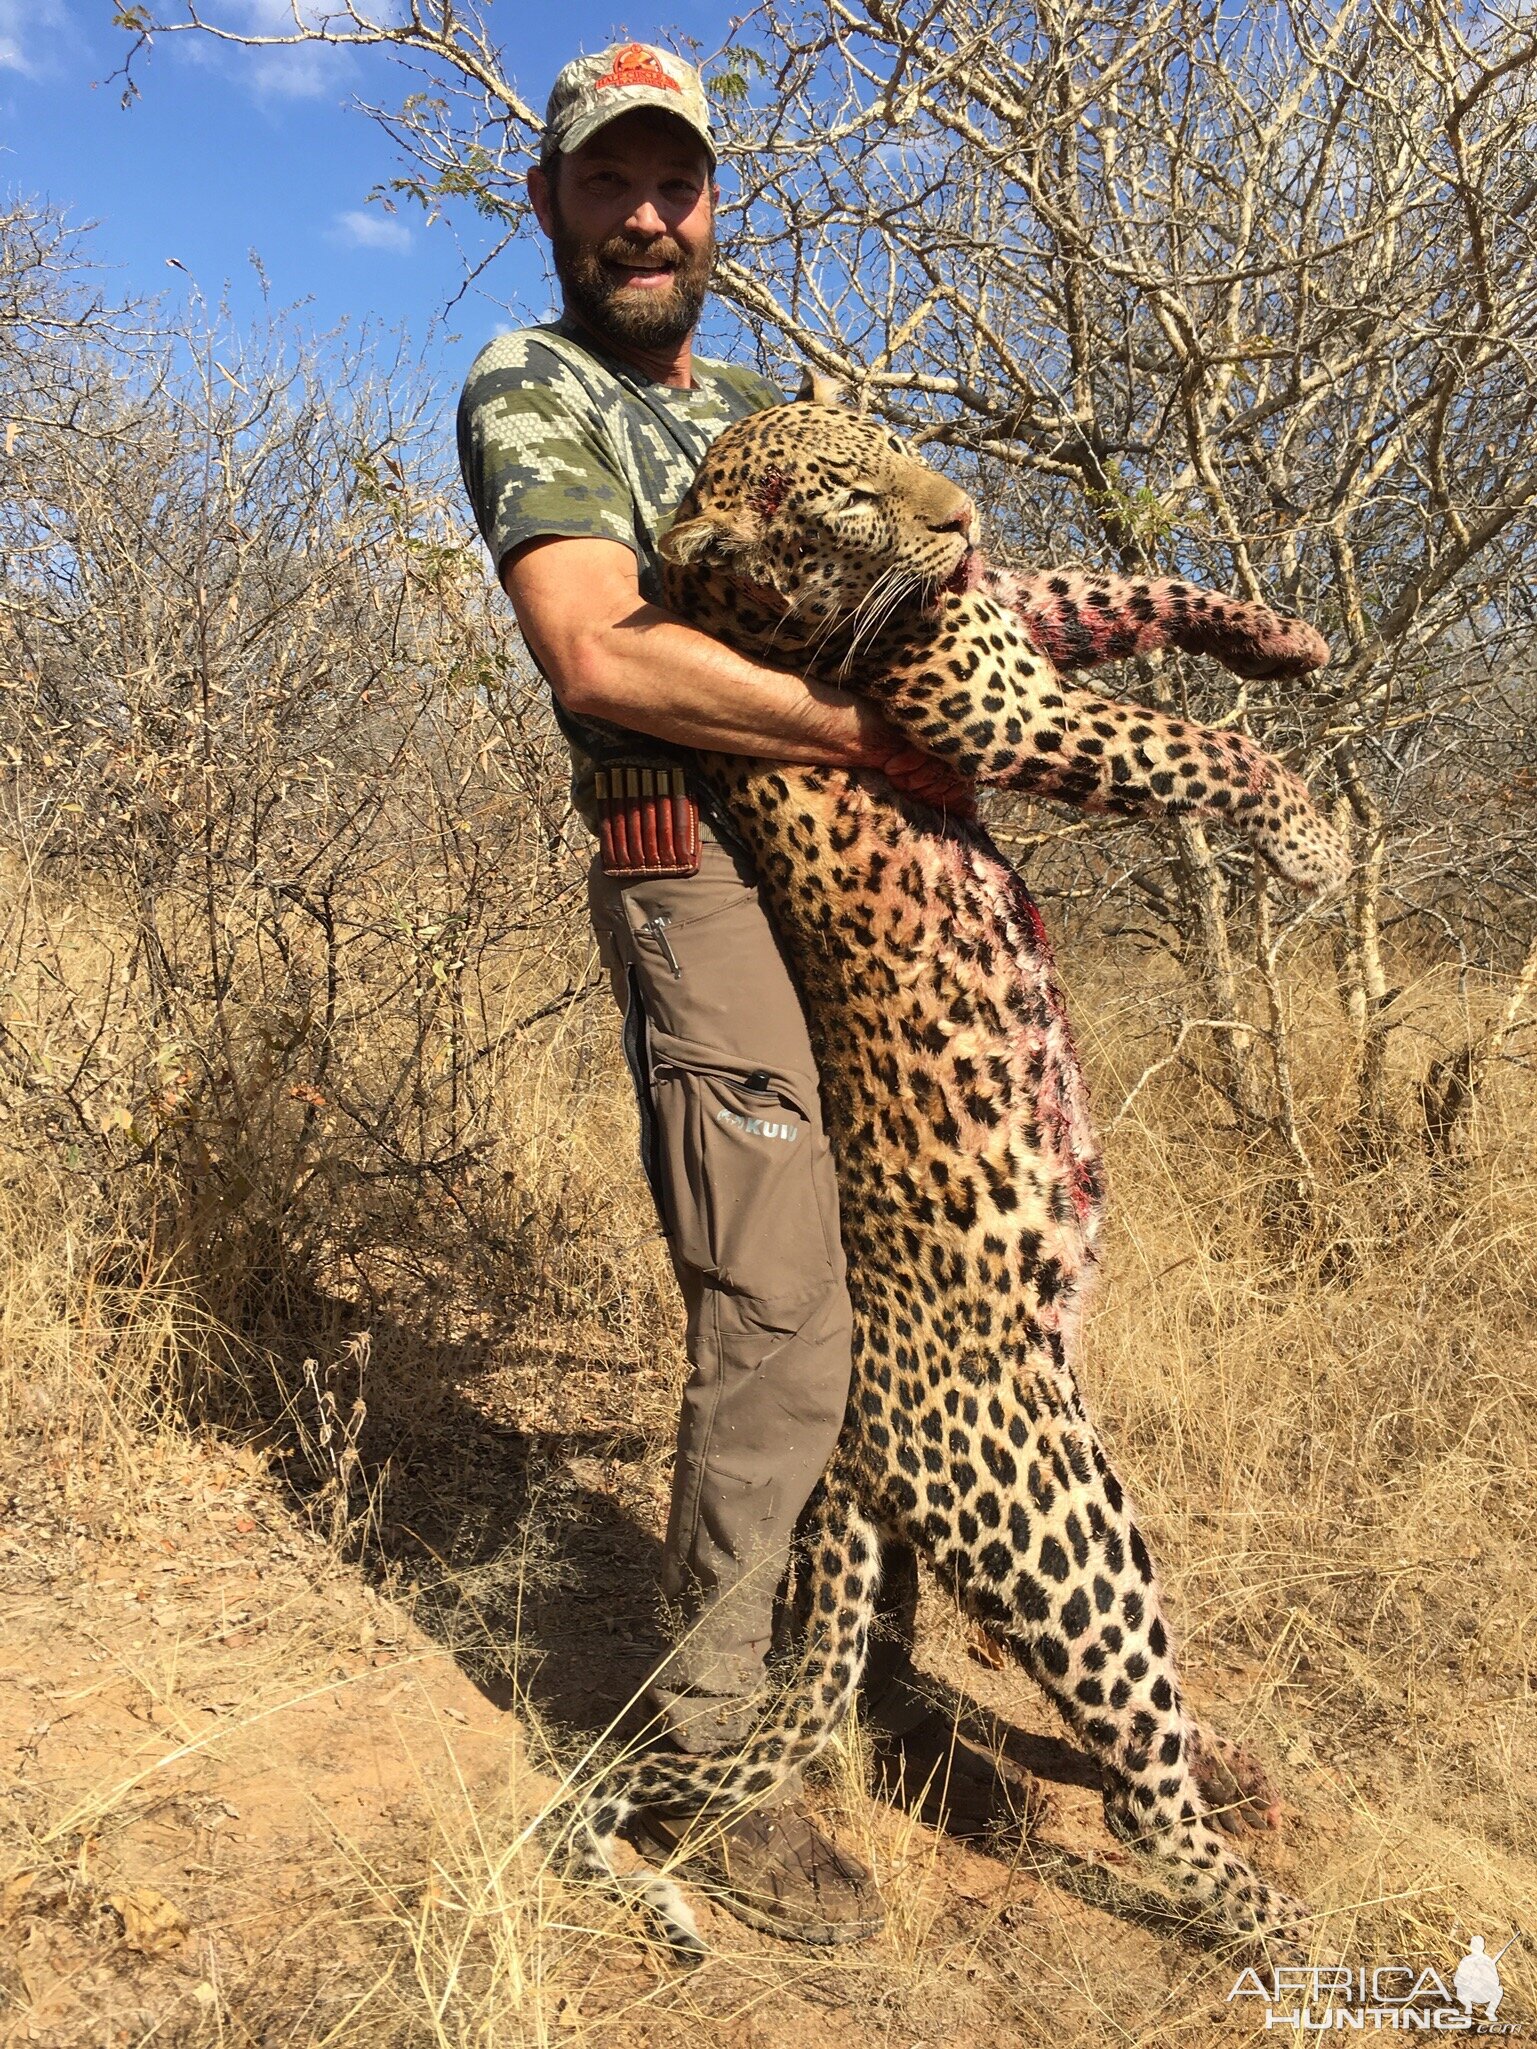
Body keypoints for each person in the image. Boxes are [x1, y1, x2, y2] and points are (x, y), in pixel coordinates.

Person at [457, 40, 1019, 1946]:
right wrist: (863, 724)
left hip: (865, 885)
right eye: (604, 183)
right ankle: (702, 1751)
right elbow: (601, 657)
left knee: (917, 1281)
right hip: (695, 875)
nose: (642, 215)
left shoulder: (773, 402)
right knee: (778, 1298)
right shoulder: (533, 387)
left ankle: (857, 1667)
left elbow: (921, 568)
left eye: (671, 183)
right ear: (547, 203)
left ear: (714, 204)